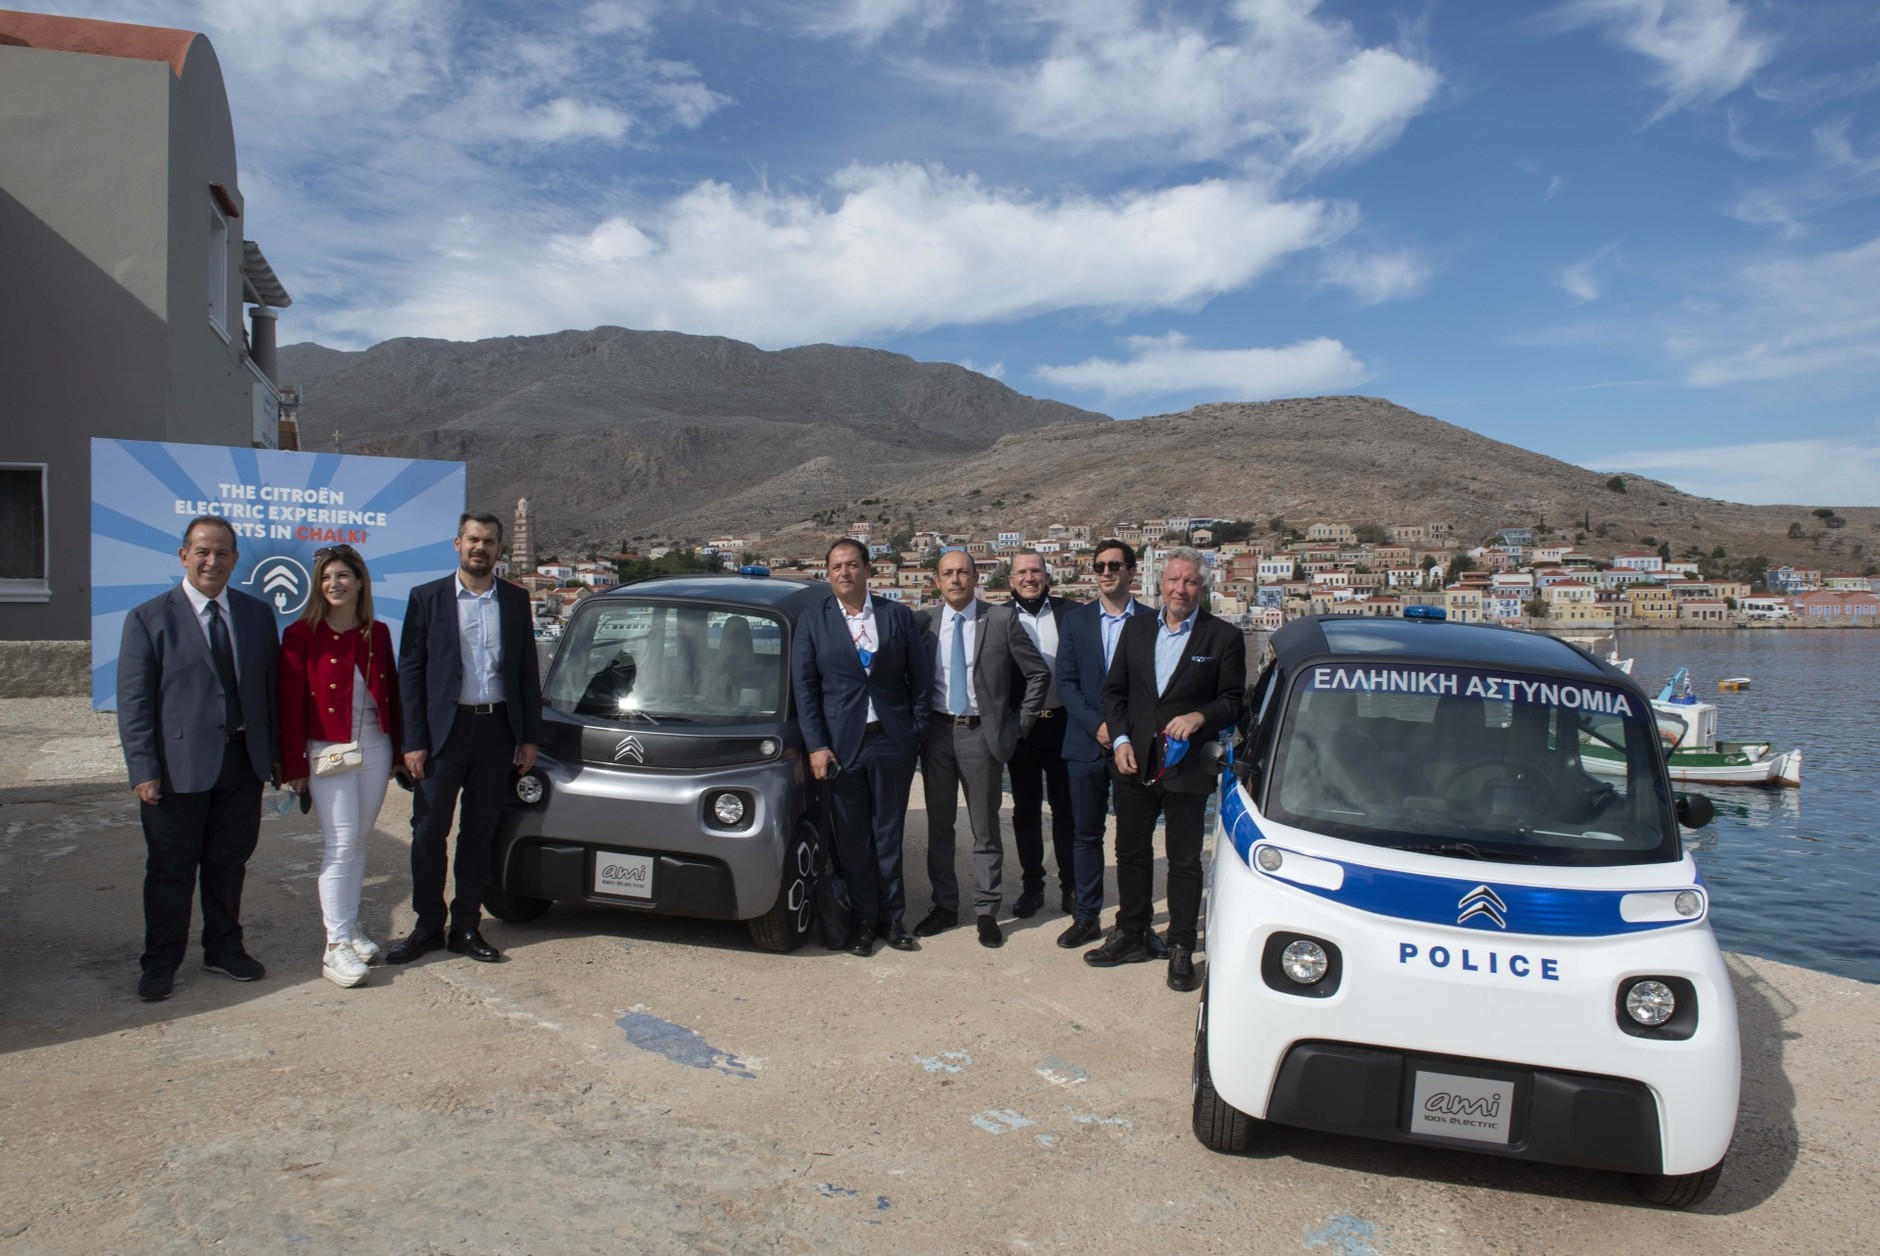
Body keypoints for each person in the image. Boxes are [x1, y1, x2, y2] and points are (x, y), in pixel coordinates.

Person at [116, 516, 280, 1002]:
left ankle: (224, 949)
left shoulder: (255, 614)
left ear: (234, 558)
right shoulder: (149, 618)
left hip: (242, 763)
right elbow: (135, 702)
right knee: (170, 869)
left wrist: (273, 758)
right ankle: (161, 961)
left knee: (229, 864)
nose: (213, 561)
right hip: (176, 770)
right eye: (203, 552)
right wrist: (143, 768)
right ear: (183, 555)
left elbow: (268, 692)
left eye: (223, 552)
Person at [389, 512, 543, 965]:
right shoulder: (427, 598)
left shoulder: (515, 600)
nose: (481, 548)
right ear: (457, 543)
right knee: (429, 831)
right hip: (443, 733)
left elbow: (524, 671)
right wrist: (412, 740)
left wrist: (529, 736)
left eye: (489, 541)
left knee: (479, 833)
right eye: (473, 539)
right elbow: (410, 673)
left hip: (497, 731)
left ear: (499, 549)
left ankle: (466, 927)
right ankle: (427, 925)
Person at [1090, 546, 1245, 992]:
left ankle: (1179, 944)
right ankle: (1132, 932)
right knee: (1130, 853)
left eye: (1191, 581)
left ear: (1203, 587)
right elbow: (1114, 694)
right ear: (1160, 583)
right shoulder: (1137, 629)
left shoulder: (1222, 638)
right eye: (1174, 580)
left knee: (1183, 860)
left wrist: (1200, 717)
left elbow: (1233, 700)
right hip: (1134, 762)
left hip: (1187, 768)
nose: (1181, 589)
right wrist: (1119, 740)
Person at [791, 537, 931, 956]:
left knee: (888, 834)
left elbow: (920, 682)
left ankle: (894, 918)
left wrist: (914, 733)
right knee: (853, 838)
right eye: (836, 567)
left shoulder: (897, 617)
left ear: (868, 570)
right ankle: (864, 921)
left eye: (852, 565)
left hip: (891, 742)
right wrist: (817, 746)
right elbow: (805, 689)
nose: (844, 573)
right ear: (828, 574)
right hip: (840, 748)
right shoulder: (812, 620)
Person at [278, 545, 401, 988]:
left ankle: (348, 929)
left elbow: (393, 694)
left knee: (360, 841)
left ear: (360, 581)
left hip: (375, 747)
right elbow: (289, 706)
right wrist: (292, 764)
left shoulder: (378, 633)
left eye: (344, 575)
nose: (335, 583)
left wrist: (401, 750)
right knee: (341, 843)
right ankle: (334, 947)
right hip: (326, 750)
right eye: (327, 577)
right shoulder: (300, 634)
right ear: (318, 584)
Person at [914, 550, 1049, 948]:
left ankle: (987, 911)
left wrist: (1018, 725)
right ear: (937, 581)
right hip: (937, 735)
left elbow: (1038, 672)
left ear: (977, 579)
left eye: (962, 573)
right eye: (947, 573)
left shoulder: (1002, 620)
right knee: (939, 827)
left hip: (981, 736)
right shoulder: (923, 623)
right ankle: (944, 905)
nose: (955, 580)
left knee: (985, 829)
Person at [1053, 539, 1146, 951]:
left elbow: (1154, 687)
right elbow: (1067, 683)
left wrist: (1123, 730)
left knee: (1132, 838)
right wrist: (1098, 727)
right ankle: (1087, 916)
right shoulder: (1075, 621)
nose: (1106, 572)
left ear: (1131, 571)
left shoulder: (1151, 621)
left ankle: (1132, 923)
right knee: (1085, 834)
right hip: (1085, 743)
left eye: (1114, 565)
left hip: (1134, 746)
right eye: (1099, 566)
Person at [1006, 550, 1076, 919]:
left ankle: (1071, 886)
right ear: (1011, 580)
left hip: (1064, 725)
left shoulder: (1071, 613)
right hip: (1023, 729)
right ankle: (1032, 885)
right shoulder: (997, 618)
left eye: (1036, 571)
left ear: (1047, 577)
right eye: (1022, 572)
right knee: (1026, 810)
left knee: (1066, 809)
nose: (1029, 577)